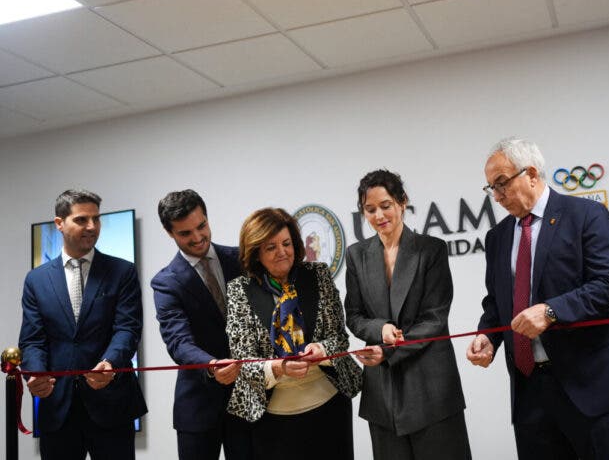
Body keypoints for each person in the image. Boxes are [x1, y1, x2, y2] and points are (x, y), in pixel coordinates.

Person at [466, 138, 609, 459]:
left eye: (502, 183)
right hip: (530, 393)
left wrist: (551, 311)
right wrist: (487, 336)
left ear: (532, 174)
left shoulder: (586, 215)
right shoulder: (497, 237)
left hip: (590, 387)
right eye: (491, 187)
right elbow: (496, 302)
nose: (496, 196)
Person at [345, 169, 472, 460]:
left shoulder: (431, 250)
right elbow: (353, 315)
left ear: (402, 202)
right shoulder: (356, 255)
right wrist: (380, 329)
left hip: (431, 388)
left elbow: (435, 318)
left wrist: (388, 350)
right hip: (382, 395)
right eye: (370, 209)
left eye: (385, 205)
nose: (379, 215)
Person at [18, 189, 147, 460]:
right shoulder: (36, 280)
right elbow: (32, 340)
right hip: (57, 407)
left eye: (96, 219)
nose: (91, 226)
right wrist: (36, 375)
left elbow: (128, 328)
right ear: (59, 223)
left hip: (112, 402)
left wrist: (110, 362)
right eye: (81, 220)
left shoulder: (122, 272)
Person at [225, 207, 362, 458]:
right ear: (256, 253)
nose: (282, 252)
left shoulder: (318, 275)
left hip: (330, 408)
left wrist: (322, 349)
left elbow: (339, 338)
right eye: (271, 247)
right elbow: (242, 360)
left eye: (286, 243)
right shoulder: (239, 291)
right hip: (273, 419)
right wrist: (277, 367)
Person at [151, 189, 255, 459]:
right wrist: (211, 365)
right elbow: (178, 342)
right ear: (169, 232)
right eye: (185, 233)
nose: (197, 237)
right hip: (198, 407)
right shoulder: (165, 283)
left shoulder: (241, 259)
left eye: (202, 226)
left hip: (249, 400)